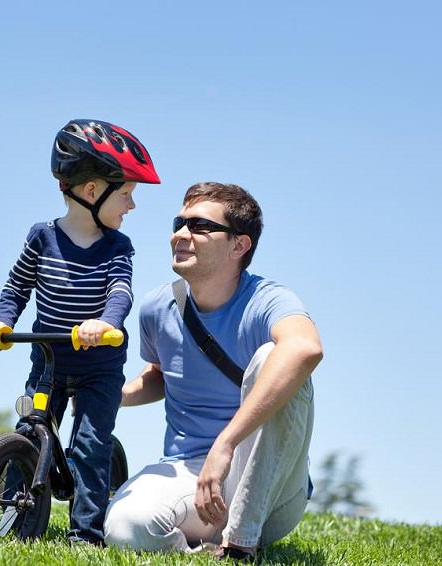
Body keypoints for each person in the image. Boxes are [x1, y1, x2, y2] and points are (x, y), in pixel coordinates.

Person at [104, 182, 323, 562]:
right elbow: (160, 373)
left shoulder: (267, 299)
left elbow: (306, 348)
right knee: (125, 527)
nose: (179, 235)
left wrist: (225, 445)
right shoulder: (158, 306)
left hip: (269, 486)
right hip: (190, 476)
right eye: (179, 223)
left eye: (199, 226)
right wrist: (110, 395)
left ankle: (242, 542)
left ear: (239, 245)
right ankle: (204, 554)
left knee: (276, 356)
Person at [0, 119, 160, 545]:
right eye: (127, 194)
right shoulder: (42, 237)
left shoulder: (118, 247)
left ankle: (86, 534)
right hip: (49, 360)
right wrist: (2, 322)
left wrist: (106, 323)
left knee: (91, 447)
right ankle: (16, 520)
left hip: (100, 364)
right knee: (29, 430)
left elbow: (120, 291)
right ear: (92, 192)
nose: (131, 206)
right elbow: (17, 285)